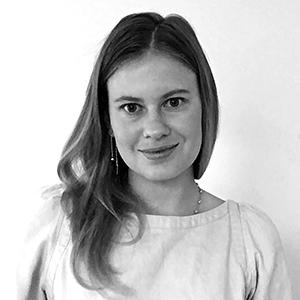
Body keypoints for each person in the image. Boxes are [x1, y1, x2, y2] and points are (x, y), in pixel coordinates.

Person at [16, 12, 293, 300]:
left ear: (204, 105)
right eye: (132, 108)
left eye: (173, 102)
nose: (155, 129)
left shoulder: (250, 240)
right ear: (107, 120)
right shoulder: (60, 227)